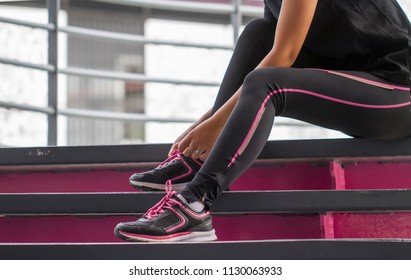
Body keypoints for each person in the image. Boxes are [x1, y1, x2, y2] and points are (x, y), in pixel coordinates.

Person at [115, 0, 410, 242]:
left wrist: (216, 124)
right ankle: (200, 157)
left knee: (269, 84)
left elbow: (285, 54)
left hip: (397, 92)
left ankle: (196, 204)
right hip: (361, 82)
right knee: (259, 32)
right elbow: (274, 48)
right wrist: (208, 122)